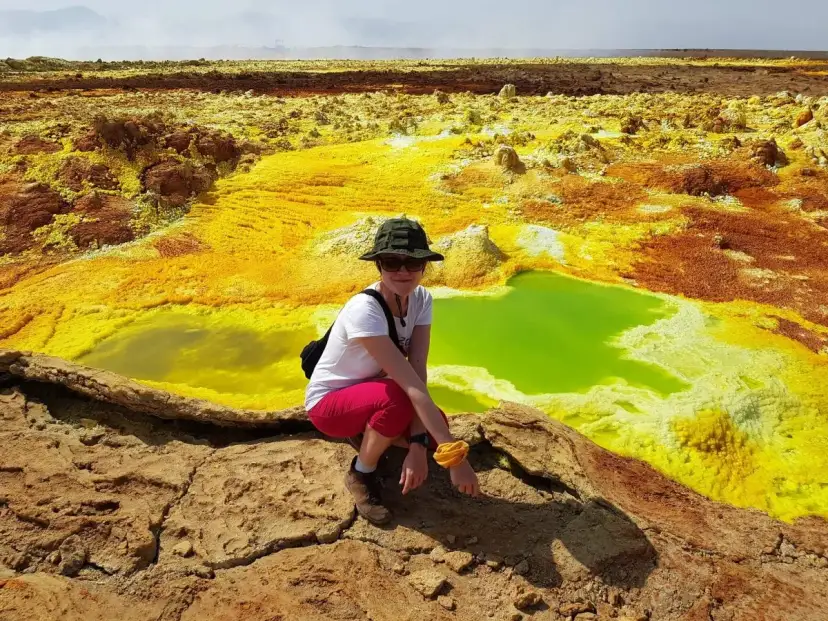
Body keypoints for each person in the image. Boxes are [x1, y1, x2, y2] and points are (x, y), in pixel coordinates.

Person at [304, 217, 480, 525]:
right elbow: (410, 388)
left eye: (412, 263)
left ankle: (371, 433)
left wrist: (418, 443)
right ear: (378, 266)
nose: (403, 272)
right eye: (392, 262)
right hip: (329, 405)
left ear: (424, 266)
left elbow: (417, 371)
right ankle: (361, 472)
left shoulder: (421, 299)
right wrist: (455, 457)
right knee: (403, 406)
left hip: (373, 390)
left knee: (435, 424)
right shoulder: (365, 310)